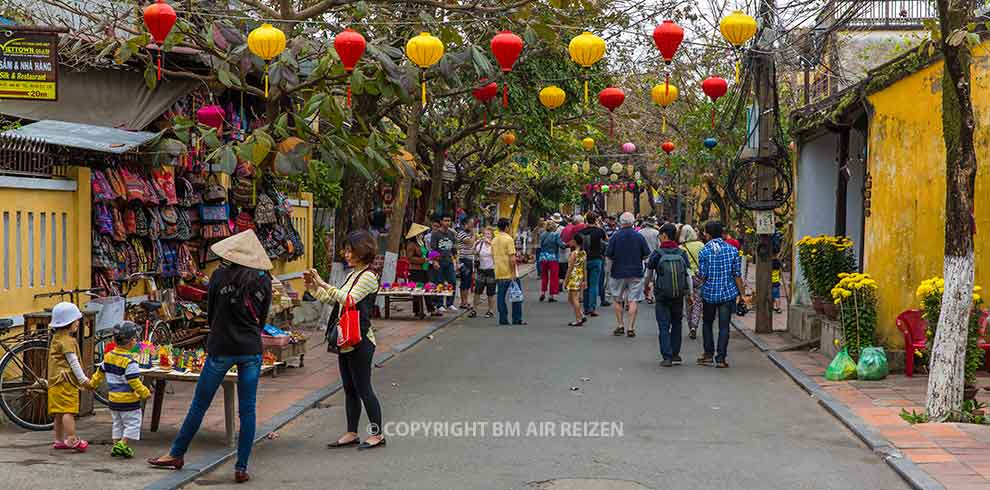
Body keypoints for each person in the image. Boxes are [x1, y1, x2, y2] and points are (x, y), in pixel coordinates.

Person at [149, 230, 273, 483]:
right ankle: (241, 467)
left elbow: (211, 312)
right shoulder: (264, 280)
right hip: (250, 349)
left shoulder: (219, 276)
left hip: (221, 347)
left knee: (200, 405)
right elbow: (263, 317)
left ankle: (177, 453)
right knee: (247, 411)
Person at [306, 230, 385, 450]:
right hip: (345, 339)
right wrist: (313, 288)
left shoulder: (368, 276)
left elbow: (349, 300)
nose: (346, 254)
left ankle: (377, 434)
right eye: (346, 250)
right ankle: (352, 432)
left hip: (361, 341)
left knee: (364, 389)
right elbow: (335, 300)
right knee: (349, 389)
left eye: (351, 250)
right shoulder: (352, 274)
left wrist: (322, 282)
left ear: (362, 251)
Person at [86, 321, 151, 458]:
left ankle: (117, 446)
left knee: (118, 423)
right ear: (132, 341)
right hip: (129, 400)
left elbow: (99, 373)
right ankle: (123, 443)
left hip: (113, 399)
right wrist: (144, 392)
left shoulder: (108, 356)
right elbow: (134, 382)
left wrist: (92, 383)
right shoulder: (130, 361)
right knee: (133, 423)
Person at [697, 221, 745, 368]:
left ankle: (708, 354)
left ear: (709, 234)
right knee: (724, 326)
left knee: (707, 323)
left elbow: (703, 275)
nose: (704, 235)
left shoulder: (704, 251)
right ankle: (721, 358)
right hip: (727, 293)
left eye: (705, 232)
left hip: (709, 293)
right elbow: (737, 275)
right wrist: (742, 294)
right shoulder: (732, 250)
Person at [47, 302, 91, 452]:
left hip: (54, 381)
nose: (78, 323)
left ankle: (59, 440)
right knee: (68, 411)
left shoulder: (56, 338)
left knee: (58, 413)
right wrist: (83, 380)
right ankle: (72, 439)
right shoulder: (68, 341)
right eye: (76, 320)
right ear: (69, 322)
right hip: (66, 382)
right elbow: (74, 363)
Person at [646, 224, 692, 367]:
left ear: (664, 235)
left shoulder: (657, 253)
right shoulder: (682, 253)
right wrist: (689, 293)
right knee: (677, 323)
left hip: (662, 295)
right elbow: (688, 275)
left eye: (660, 235)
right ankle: (676, 354)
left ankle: (667, 357)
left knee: (664, 325)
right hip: (678, 294)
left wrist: (646, 287)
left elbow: (649, 274)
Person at [605, 212, 651, 337]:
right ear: (633, 222)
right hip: (635, 271)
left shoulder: (615, 237)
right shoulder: (639, 236)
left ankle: (620, 325)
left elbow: (609, 254)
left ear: (621, 222)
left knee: (617, 299)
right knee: (633, 300)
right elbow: (646, 254)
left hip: (617, 272)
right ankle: (631, 327)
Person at [493, 218, 525, 326]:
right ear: (507, 227)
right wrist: (513, 273)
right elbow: (512, 258)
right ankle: (517, 318)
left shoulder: (494, 240)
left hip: (498, 271)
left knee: (501, 297)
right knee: (516, 295)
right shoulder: (509, 239)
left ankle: (503, 318)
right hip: (509, 272)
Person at [578, 212, 607, 318]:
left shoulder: (581, 232)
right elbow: (606, 240)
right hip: (596, 259)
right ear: (595, 220)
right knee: (594, 284)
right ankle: (592, 308)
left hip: (584, 259)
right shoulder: (600, 231)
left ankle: (586, 308)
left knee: (585, 283)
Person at [679, 224, 705, 339]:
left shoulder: (681, 248)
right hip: (700, 277)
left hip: (688, 277)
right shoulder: (701, 245)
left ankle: (690, 327)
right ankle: (695, 325)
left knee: (689, 301)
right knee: (698, 302)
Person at [404, 223, 434, 319]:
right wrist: (422, 260)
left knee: (427, 288)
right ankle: (418, 311)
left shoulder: (422, 243)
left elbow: (426, 253)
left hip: (425, 268)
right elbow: (410, 258)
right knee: (418, 290)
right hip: (415, 270)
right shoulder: (411, 244)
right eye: (421, 233)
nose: (422, 234)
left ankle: (430, 309)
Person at [430, 214, 458, 310]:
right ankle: (440, 304)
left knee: (453, 281)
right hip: (439, 261)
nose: (447, 223)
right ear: (441, 222)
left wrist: (456, 260)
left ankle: (450, 303)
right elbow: (433, 249)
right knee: (439, 282)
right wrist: (435, 261)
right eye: (445, 220)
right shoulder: (435, 234)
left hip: (449, 261)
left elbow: (454, 249)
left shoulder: (451, 234)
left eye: (449, 220)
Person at [471, 227, 497, 319]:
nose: (486, 236)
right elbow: (474, 252)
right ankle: (474, 310)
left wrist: (489, 243)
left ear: (492, 235)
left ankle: (490, 311)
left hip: (491, 270)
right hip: (481, 270)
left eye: (488, 234)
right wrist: (475, 244)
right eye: (485, 234)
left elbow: (497, 254)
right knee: (477, 291)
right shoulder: (480, 244)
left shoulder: (493, 244)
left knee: (491, 292)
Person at [564, 233, 588, 326]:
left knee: (574, 299)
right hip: (580, 275)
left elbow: (570, 268)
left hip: (573, 276)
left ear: (575, 242)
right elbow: (584, 267)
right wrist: (585, 280)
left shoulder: (573, 254)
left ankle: (578, 319)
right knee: (571, 298)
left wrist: (566, 280)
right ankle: (581, 315)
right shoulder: (583, 252)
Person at [538, 220, 563, 302]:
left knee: (544, 276)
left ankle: (543, 292)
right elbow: (561, 245)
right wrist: (568, 244)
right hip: (553, 258)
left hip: (543, 257)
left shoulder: (542, 235)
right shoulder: (556, 235)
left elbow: (540, 245)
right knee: (553, 277)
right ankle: (551, 296)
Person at [456, 217, 477, 311]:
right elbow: (470, 243)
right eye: (471, 223)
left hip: (469, 260)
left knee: (468, 282)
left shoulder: (468, 234)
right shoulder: (462, 233)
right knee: (465, 281)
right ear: (465, 224)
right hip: (463, 260)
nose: (472, 226)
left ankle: (465, 301)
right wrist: (474, 235)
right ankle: (463, 302)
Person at [639, 217, 661, 303]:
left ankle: (642, 294)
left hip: (642, 258)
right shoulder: (656, 233)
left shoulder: (640, 232)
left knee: (642, 277)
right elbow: (659, 246)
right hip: (653, 257)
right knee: (651, 277)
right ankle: (650, 295)